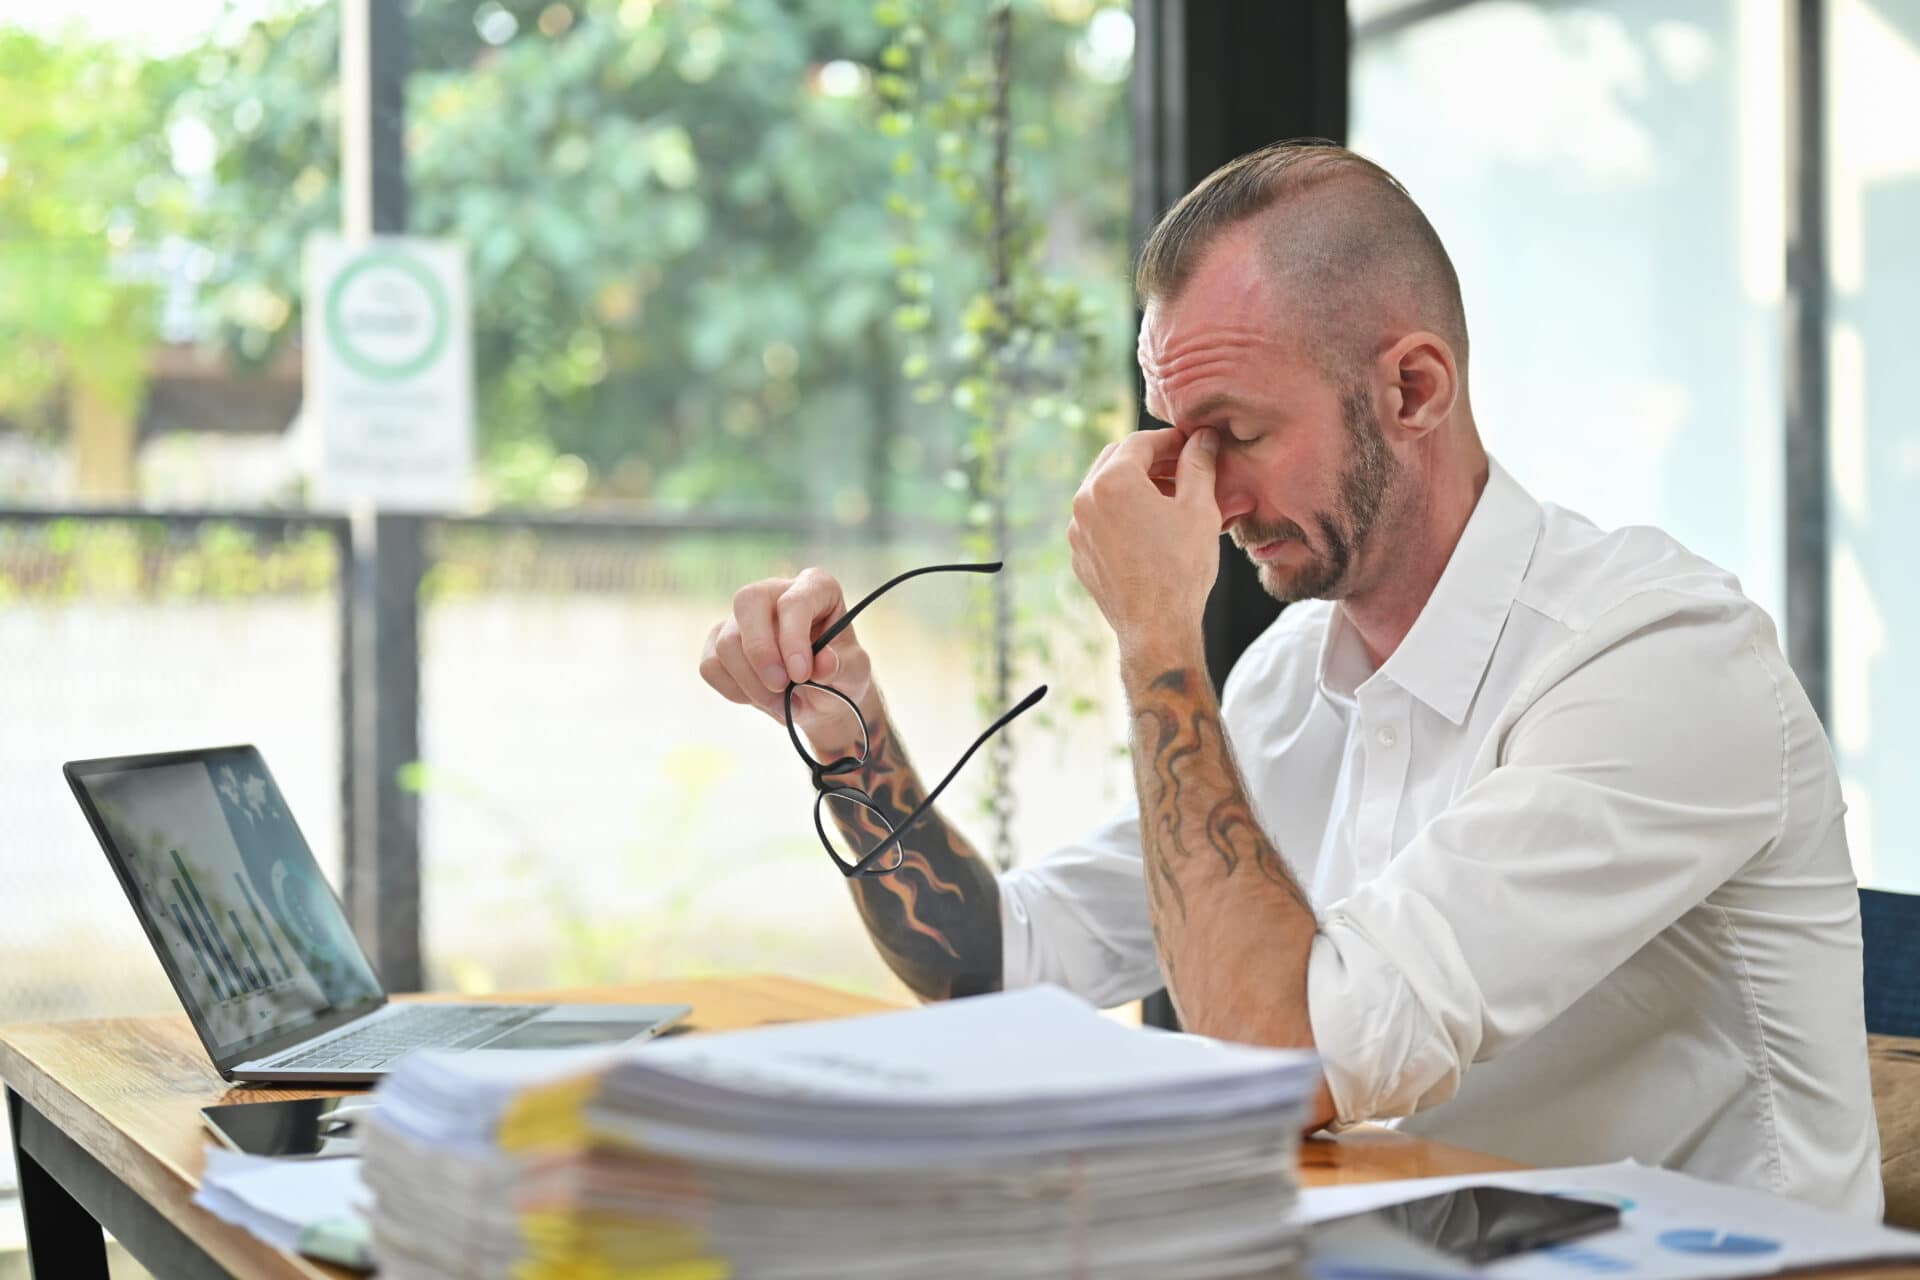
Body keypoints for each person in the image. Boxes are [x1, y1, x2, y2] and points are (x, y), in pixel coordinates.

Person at [698, 141, 1883, 1218]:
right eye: (1177, 436)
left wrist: (1159, 634)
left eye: (1237, 433)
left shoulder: (1658, 657)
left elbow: (1289, 1057)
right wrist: (845, 731)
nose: (1202, 497)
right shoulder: (1292, 679)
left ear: (1412, 390)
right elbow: (1002, 969)